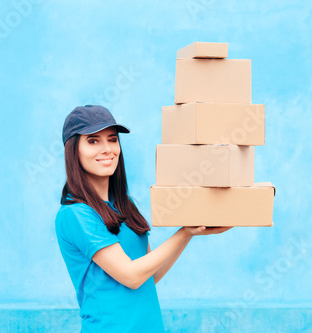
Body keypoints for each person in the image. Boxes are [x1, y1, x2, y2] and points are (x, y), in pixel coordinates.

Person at [54, 105, 232, 332]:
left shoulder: (125, 205)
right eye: (93, 141)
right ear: (73, 150)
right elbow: (131, 276)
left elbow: (150, 275)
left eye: (112, 139)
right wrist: (182, 233)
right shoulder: (76, 214)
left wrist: (190, 232)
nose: (107, 149)